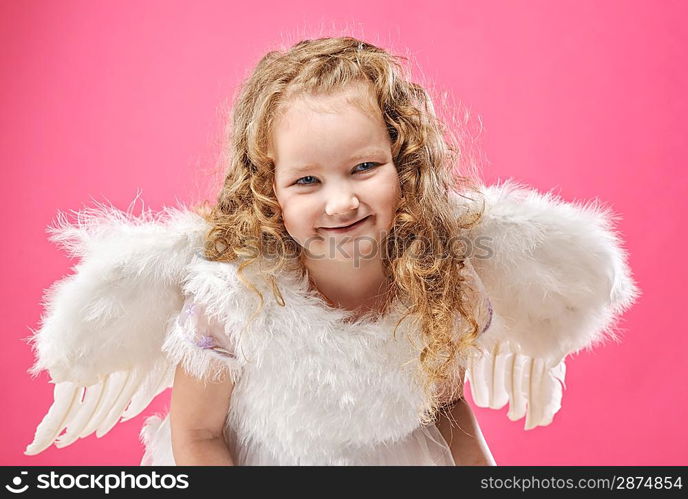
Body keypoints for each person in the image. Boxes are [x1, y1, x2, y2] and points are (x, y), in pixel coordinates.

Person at [24, 36, 639, 466]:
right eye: (307, 181)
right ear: (271, 194)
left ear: (407, 167)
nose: (341, 203)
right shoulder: (231, 302)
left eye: (365, 167)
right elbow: (197, 432)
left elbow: (446, 407)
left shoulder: (440, 282)